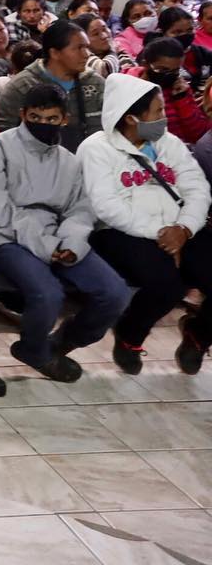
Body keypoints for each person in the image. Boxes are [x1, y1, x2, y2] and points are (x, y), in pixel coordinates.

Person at [0, 84, 130, 382]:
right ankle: (33, 348)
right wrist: (46, 245)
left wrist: (71, 243)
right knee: (47, 294)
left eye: (51, 119)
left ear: (64, 120)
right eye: (35, 117)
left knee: (114, 293)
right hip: (5, 237)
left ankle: (60, 342)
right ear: (22, 115)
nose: (42, 124)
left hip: (58, 237)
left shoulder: (68, 162)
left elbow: (81, 210)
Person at [81, 74, 212, 376]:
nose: (164, 118)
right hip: (122, 232)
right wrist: (162, 234)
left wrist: (184, 229)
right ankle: (129, 336)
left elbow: (196, 187)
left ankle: (198, 335)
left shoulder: (169, 143)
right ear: (130, 117)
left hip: (180, 228)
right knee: (166, 283)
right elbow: (107, 206)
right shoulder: (96, 149)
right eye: (158, 112)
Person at [0, 20, 103, 151]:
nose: (86, 54)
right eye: (79, 48)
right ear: (54, 53)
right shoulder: (22, 86)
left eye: (87, 47)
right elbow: (3, 136)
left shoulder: (96, 84)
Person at [129, 37, 210, 144]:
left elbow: (200, 134)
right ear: (145, 64)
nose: (169, 75)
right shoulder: (130, 91)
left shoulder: (181, 88)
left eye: (176, 70)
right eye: (163, 69)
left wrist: (182, 101)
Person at [72, 12, 121, 77]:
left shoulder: (116, 47)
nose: (104, 36)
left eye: (104, 29)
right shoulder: (83, 56)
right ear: (83, 39)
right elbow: (105, 70)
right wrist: (113, 51)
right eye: (96, 34)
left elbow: (129, 66)